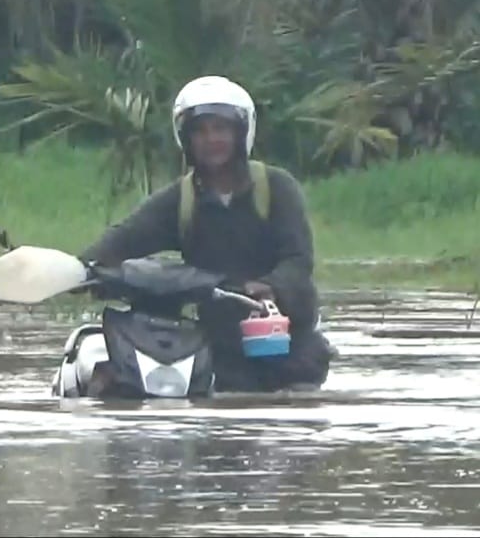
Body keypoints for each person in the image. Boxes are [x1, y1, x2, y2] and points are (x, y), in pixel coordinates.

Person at [79, 75, 335, 393]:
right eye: (200, 130)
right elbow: (124, 239)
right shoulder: (180, 199)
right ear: (186, 139)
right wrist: (79, 270)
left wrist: (269, 288)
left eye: (220, 128)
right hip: (217, 347)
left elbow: (298, 260)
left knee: (291, 401)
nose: (210, 139)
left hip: (284, 345)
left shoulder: (278, 188)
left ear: (241, 132)